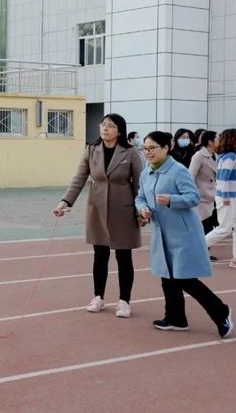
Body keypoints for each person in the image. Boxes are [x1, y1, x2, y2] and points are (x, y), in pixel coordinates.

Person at [136, 131, 233, 337]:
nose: (148, 152)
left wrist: (172, 200)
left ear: (166, 148)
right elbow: (140, 197)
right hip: (161, 233)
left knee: (184, 278)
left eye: (152, 148)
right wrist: (142, 209)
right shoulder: (146, 172)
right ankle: (176, 318)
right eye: (145, 148)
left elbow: (193, 197)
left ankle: (221, 312)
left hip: (182, 233)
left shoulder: (178, 171)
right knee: (167, 276)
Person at [54, 113, 142, 318]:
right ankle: (98, 297)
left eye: (110, 126)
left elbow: (139, 184)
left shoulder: (130, 153)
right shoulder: (91, 150)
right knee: (100, 256)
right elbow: (79, 178)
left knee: (123, 256)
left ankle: (124, 301)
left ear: (119, 131)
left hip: (123, 209)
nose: (105, 128)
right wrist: (65, 202)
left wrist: (141, 211)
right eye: (103, 125)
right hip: (97, 208)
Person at [204, 128, 236, 268]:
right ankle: (194, 248)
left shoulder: (232, 155)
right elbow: (223, 179)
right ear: (233, 139)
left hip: (234, 197)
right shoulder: (230, 157)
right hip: (227, 198)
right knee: (224, 229)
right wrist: (226, 197)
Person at [188, 131, 218, 236]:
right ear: (210, 142)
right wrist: (193, 193)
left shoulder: (215, 155)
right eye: (217, 139)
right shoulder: (199, 155)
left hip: (213, 197)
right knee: (205, 228)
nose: (220, 141)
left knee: (212, 229)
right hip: (202, 198)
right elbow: (190, 176)